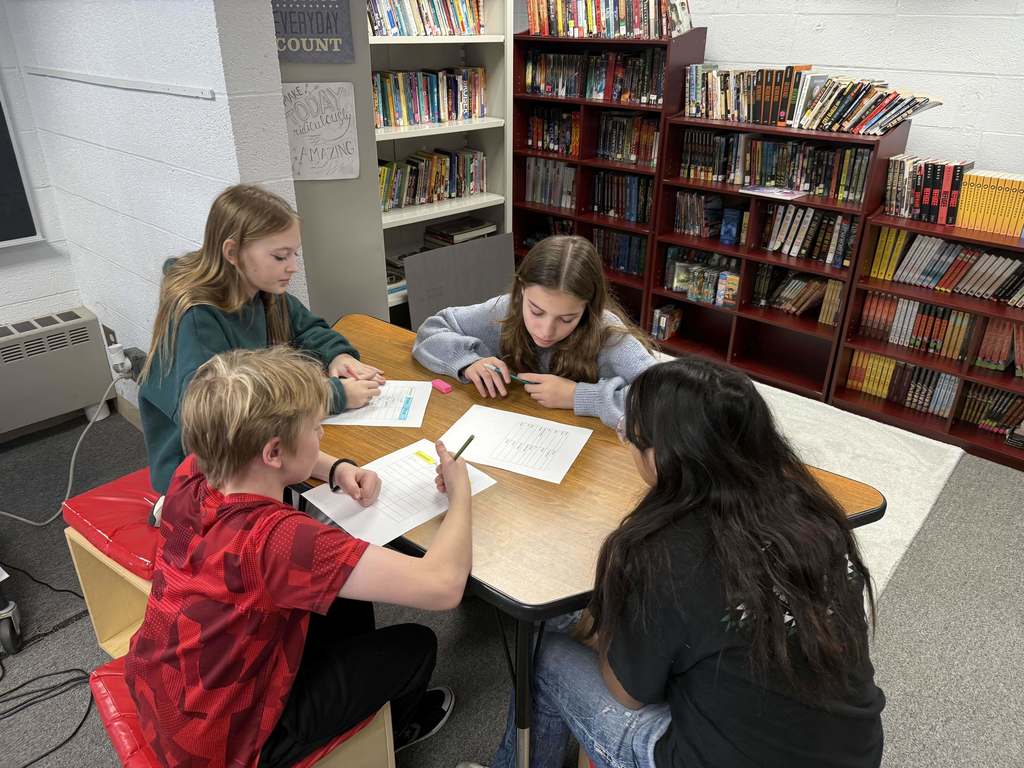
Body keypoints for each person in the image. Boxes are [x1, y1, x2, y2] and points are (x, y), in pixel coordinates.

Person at [461, 356, 885, 768]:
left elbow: (630, 694)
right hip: (854, 752)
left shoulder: (665, 550)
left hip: (710, 755)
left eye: (633, 436)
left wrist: (603, 624)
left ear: (664, 456)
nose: (628, 444)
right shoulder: (813, 509)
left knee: (542, 648)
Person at [125, 346, 473, 768]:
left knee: (343, 596)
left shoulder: (196, 470)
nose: (321, 436)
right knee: (417, 644)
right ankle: (392, 732)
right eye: (314, 428)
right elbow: (444, 586)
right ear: (273, 453)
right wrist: (460, 494)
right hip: (227, 743)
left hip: (165, 694)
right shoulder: (280, 540)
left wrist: (333, 468)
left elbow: (256, 450)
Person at [139, 183, 384, 498]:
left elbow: (306, 329)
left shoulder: (262, 289)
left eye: (294, 253)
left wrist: (338, 356)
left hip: (255, 447)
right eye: (281, 256)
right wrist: (333, 395)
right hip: (202, 476)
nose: (292, 267)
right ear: (232, 254)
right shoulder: (196, 320)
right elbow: (232, 420)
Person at [412, 235, 656, 428]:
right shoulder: (507, 309)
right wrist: (468, 361)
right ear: (521, 291)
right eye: (536, 312)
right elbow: (431, 330)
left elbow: (669, 400)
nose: (546, 331)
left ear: (588, 308)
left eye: (567, 318)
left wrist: (577, 396)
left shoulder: (608, 334)